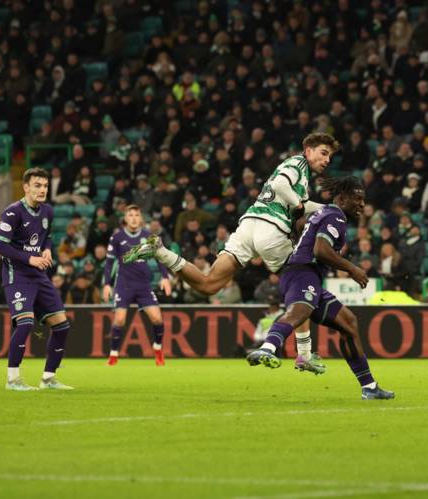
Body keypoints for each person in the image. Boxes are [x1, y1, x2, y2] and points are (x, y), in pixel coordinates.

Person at [125, 133, 339, 374]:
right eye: (323, 153)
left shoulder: (301, 177)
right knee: (302, 283)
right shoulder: (297, 163)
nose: (327, 159)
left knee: (208, 285)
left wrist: (328, 209)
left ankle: (161, 252)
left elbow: (300, 201)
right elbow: (281, 186)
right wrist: (300, 206)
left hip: (248, 226)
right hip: (272, 228)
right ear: (308, 150)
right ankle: (305, 354)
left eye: (330, 156)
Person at [246, 176, 395, 400]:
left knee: (349, 323)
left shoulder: (322, 213)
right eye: (358, 199)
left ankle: (370, 387)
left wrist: (298, 239)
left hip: (304, 274)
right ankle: (267, 348)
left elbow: (299, 224)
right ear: (343, 198)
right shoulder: (336, 215)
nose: (362, 205)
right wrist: (352, 269)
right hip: (303, 273)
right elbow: (321, 250)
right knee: (299, 312)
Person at [0, 168, 73, 391]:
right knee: (26, 323)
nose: (42, 190)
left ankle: (48, 378)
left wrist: (47, 251)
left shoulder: (47, 211)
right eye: (37, 185)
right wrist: (31, 259)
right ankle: (12, 379)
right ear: (26, 187)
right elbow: (0, 246)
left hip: (39, 274)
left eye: (45, 186)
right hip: (17, 276)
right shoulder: (12, 212)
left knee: (62, 326)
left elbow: (47, 238)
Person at [102, 205, 172, 366]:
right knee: (119, 320)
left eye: (136, 215)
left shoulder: (150, 237)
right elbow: (109, 263)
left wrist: (165, 277)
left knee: (157, 319)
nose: (133, 218)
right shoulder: (117, 237)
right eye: (130, 215)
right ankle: (113, 355)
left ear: (141, 218)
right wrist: (106, 284)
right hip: (124, 284)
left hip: (143, 286)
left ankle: (158, 348)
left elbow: (161, 258)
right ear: (125, 218)